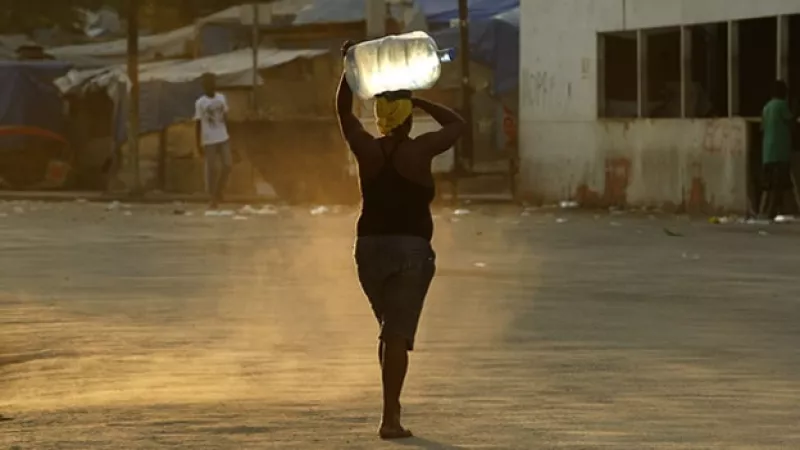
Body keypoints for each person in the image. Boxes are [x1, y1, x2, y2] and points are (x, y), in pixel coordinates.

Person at [336, 40, 466, 440]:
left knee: (389, 329)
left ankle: (390, 412)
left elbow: (342, 110)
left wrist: (349, 65)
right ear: (408, 120)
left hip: (369, 251)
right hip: (410, 252)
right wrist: (421, 100)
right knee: (395, 334)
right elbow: (458, 125)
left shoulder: (366, 150)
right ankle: (390, 419)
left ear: (380, 120)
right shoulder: (421, 150)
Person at [194, 72, 237, 209]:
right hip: (209, 139)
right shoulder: (200, 103)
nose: (209, 87)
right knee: (211, 169)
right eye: (206, 85)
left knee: (228, 165)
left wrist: (231, 135)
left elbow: (226, 118)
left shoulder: (221, 98)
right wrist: (198, 143)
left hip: (223, 136)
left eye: (211, 84)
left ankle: (219, 191)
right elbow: (198, 123)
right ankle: (212, 198)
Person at [759, 80, 800, 219]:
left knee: (768, 185)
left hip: (768, 152)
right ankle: (771, 211)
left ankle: (763, 211)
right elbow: (791, 123)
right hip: (780, 151)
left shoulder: (766, 107)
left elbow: (762, 127)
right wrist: (795, 111)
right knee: (780, 183)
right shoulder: (782, 105)